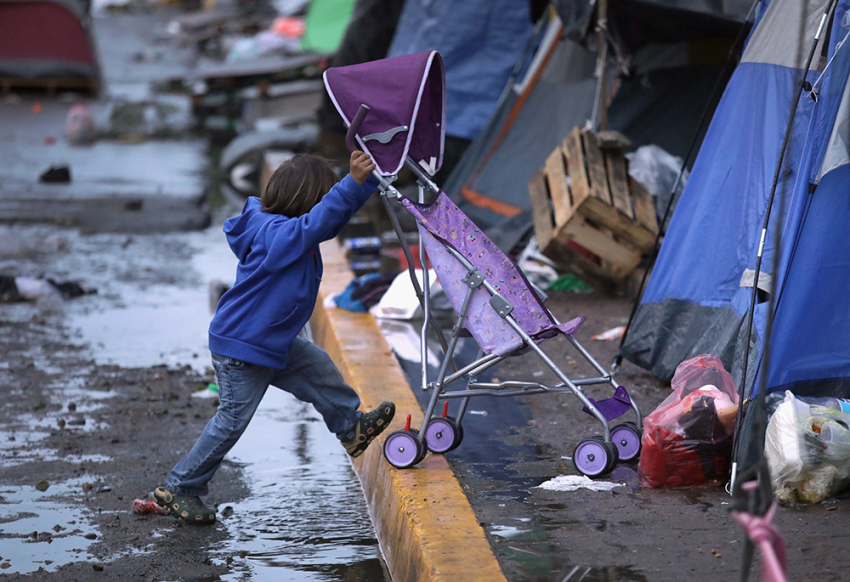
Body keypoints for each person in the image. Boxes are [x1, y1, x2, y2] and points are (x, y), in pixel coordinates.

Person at [155, 151, 395, 525]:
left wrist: (361, 183)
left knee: (319, 369)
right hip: (243, 347)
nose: (326, 211)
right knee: (232, 420)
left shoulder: (283, 228)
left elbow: (327, 222)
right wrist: (349, 184)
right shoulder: (277, 235)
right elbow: (318, 224)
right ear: (308, 203)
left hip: (269, 339)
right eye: (326, 197)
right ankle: (181, 487)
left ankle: (350, 428)